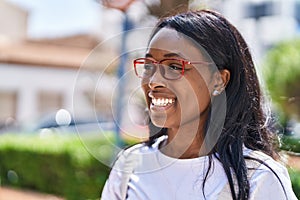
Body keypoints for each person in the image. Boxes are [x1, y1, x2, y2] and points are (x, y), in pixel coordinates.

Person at [101, 10, 297, 200]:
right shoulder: (130, 166)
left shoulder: (258, 178)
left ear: (219, 80)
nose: (153, 81)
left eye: (175, 66)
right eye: (149, 66)